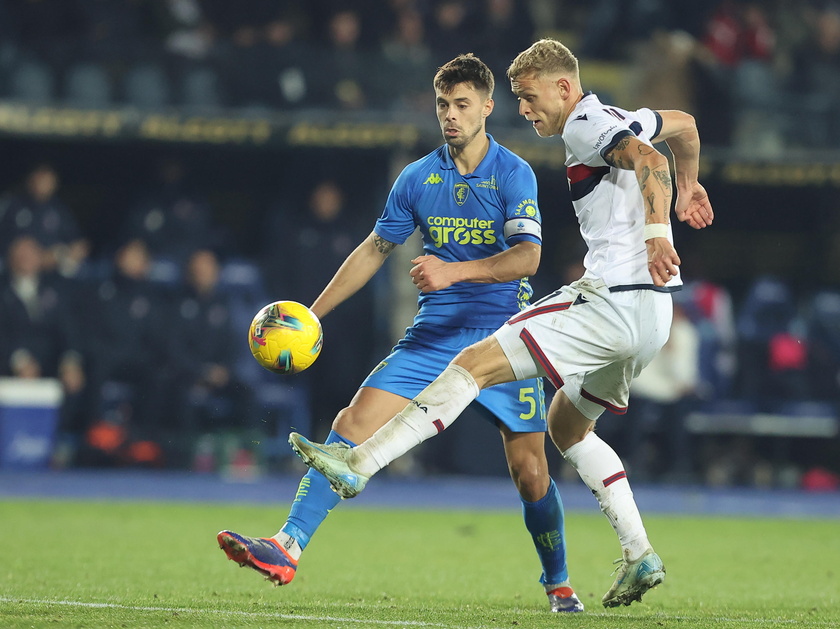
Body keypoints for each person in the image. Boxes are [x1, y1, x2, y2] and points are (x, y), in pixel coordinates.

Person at [289, 38, 714, 608]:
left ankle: (359, 464)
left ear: (564, 88)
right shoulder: (619, 116)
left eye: (530, 97)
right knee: (567, 429)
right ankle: (640, 554)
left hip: (613, 299)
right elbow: (682, 127)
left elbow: (651, 159)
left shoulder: (584, 124)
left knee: (472, 364)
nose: (526, 109)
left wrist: (659, 235)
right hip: (653, 317)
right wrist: (689, 185)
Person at [218, 53, 584, 613]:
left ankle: (558, 583)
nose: (451, 116)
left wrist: (453, 271)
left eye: (462, 105)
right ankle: (286, 546)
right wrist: (314, 315)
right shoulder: (417, 177)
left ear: (488, 107)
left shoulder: (514, 173)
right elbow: (374, 249)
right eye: (443, 105)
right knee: (351, 424)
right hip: (433, 336)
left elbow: (529, 257)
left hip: (502, 341)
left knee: (531, 473)